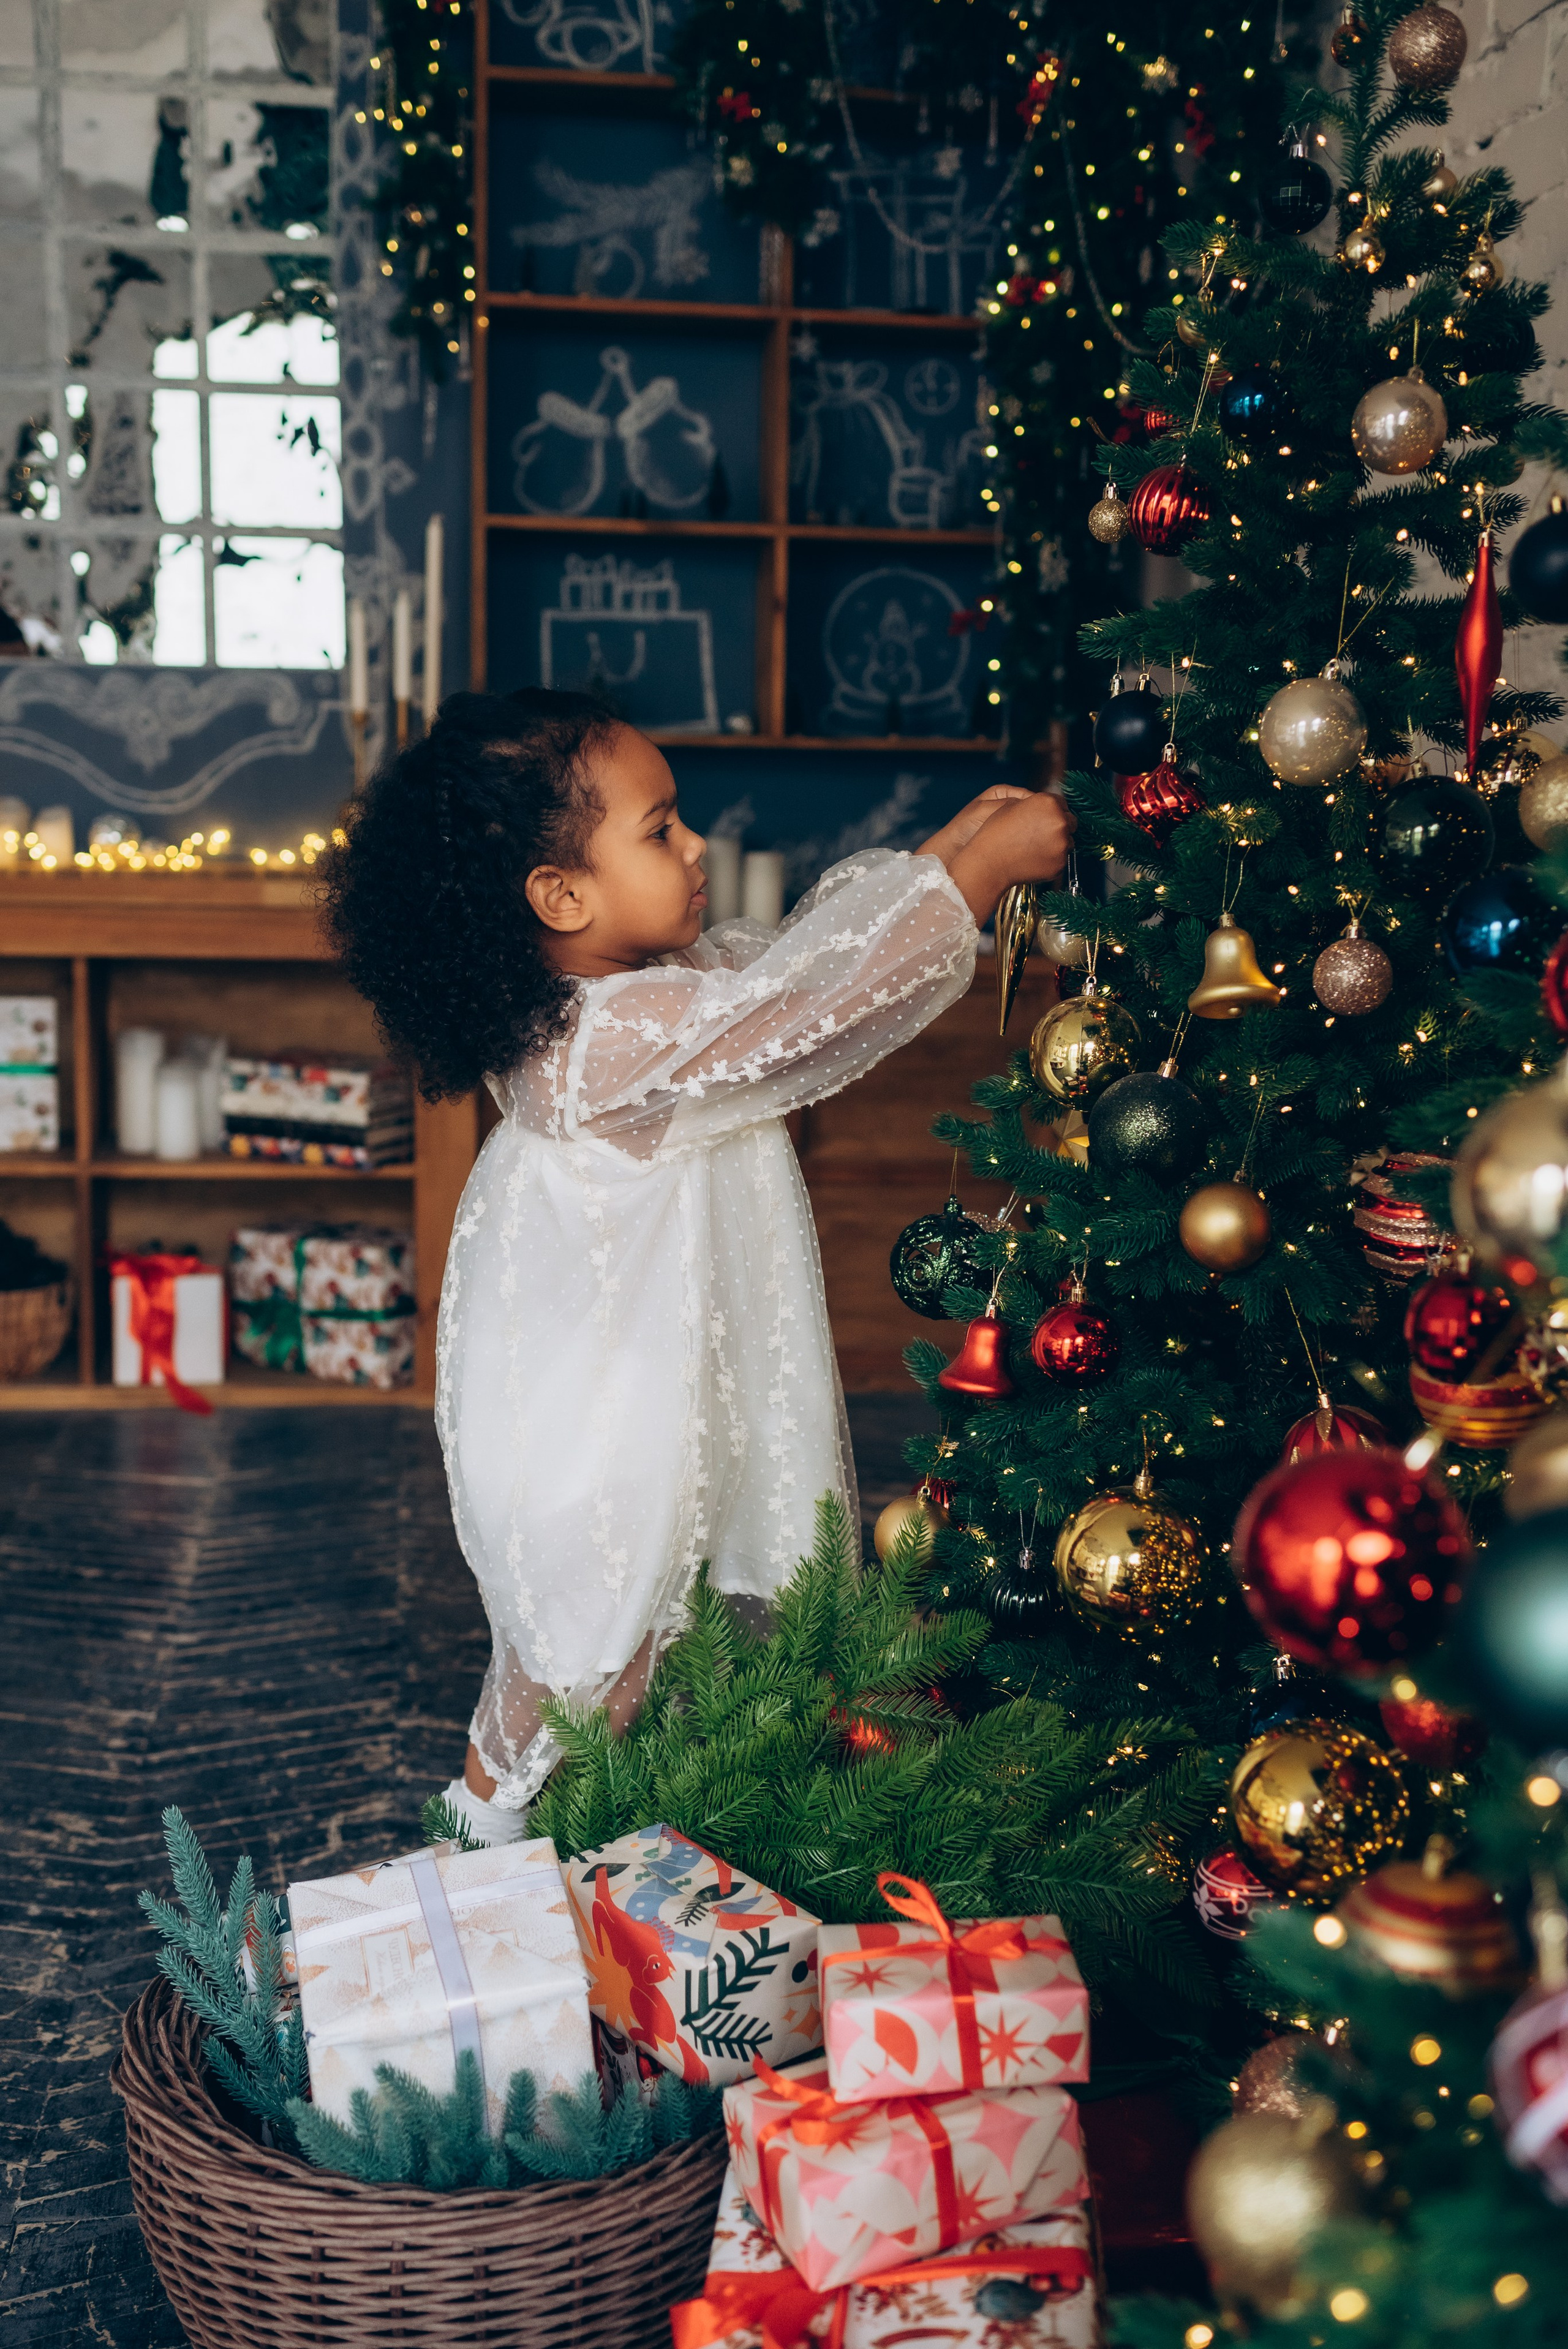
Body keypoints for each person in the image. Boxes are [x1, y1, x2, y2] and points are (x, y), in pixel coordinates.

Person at [323, 688, 1072, 1839]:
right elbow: (823, 1003)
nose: (694, 847)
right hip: (601, 1420)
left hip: (602, 1386)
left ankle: (545, 1841)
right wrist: (977, 875)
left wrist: (953, 848)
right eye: (660, 829)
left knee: (605, 1651)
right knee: (597, 1657)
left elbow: (802, 961)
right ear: (561, 895)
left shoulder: (600, 1002)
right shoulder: (612, 1037)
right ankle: (489, 1845)